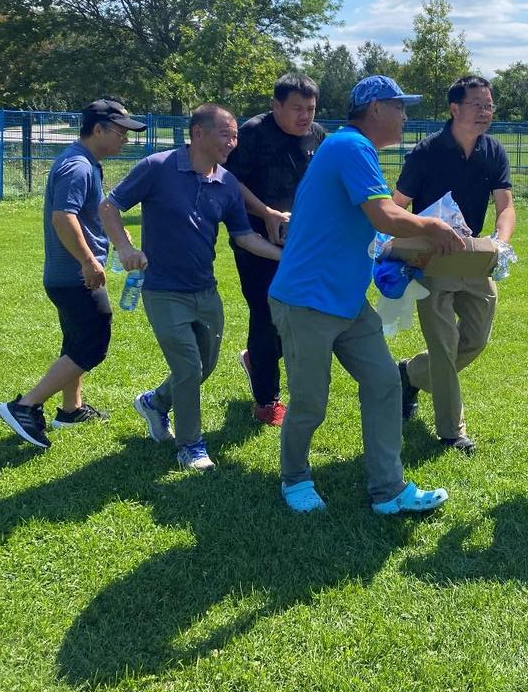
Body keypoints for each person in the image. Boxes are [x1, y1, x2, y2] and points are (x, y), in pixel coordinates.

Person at [268, 75, 465, 514]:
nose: (405, 116)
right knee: (309, 401)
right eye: (400, 106)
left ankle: (388, 489)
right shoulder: (351, 147)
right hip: (306, 301)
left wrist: (408, 251)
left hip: (345, 300)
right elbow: (383, 213)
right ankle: (294, 478)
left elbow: (366, 229)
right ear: (376, 108)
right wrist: (431, 227)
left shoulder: (353, 150)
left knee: (382, 383)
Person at [100, 104, 282, 472]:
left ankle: (154, 402)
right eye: (225, 134)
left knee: (205, 366)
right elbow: (109, 206)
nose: (232, 143)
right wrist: (124, 248)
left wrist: (284, 256)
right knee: (187, 367)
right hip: (163, 290)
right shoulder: (157, 167)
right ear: (198, 133)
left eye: (235, 136)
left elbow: (244, 237)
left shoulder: (228, 183)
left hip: (205, 291)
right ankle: (191, 445)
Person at [0, 98, 146, 449]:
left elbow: (90, 214)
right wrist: (88, 262)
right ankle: (24, 406)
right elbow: (62, 218)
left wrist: (119, 240)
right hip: (73, 276)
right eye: (121, 132)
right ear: (98, 130)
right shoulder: (77, 166)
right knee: (93, 344)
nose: (126, 139)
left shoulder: (87, 164)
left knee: (76, 341)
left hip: (68, 275)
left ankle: (71, 410)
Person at [393, 75, 515, 455]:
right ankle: (451, 431)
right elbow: (396, 206)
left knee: (475, 339)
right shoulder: (425, 153)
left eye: (489, 105)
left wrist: (500, 242)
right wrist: (413, 243)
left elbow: (506, 206)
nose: (485, 112)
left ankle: (408, 374)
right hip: (432, 261)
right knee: (444, 347)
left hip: (476, 256)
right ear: (454, 109)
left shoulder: (493, 151)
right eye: (477, 104)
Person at [224, 73, 325, 427]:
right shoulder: (252, 133)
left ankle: (257, 359)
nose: (305, 116)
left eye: (310, 108)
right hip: (255, 240)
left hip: (301, 241)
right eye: (297, 108)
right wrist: (265, 213)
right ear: (275, 105)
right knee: (266, 313)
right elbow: (229, 181)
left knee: (302, 314)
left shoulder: (318, 136)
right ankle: (267, 401)